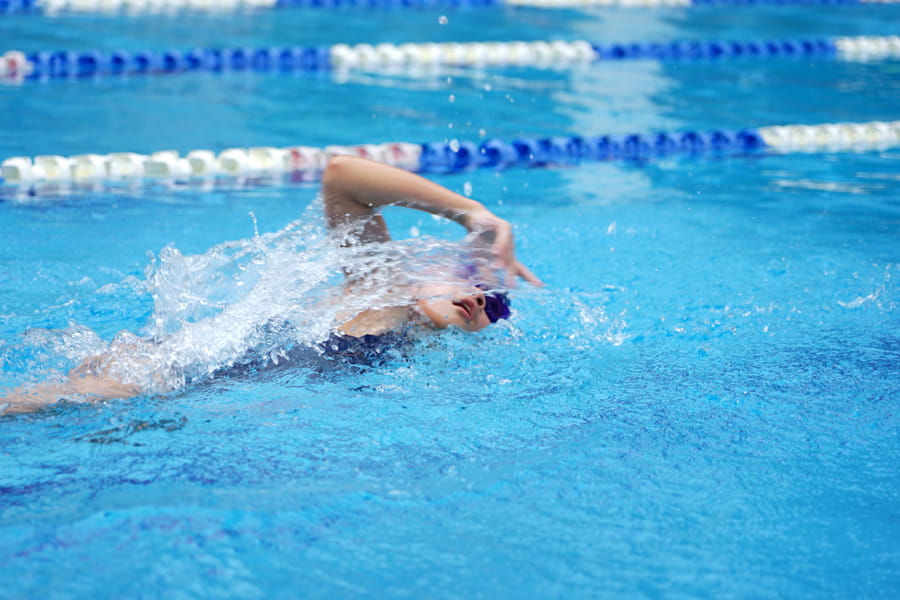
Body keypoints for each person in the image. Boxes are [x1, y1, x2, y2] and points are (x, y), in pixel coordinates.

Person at [1, 156, 542, 415]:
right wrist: (472, 214)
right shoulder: (385, 290)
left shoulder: (395, 322)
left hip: (181, 364)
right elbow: (341, 176)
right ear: (427, 270)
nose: (480, 298)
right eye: (472, 281)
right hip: (173, 379)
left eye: (495, 306)